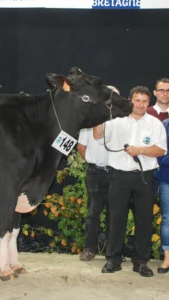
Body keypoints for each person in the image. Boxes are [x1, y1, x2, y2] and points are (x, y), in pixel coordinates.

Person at [93, 86, 167, 277]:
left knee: (144, 221)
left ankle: (141, 262)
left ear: (148, 102)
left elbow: (160, 150)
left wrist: (140, 150)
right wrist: (100, 113)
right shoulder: (116, 120)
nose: (140, 104)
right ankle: (113, 260)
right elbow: (97, 135)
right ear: (129, 100)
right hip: (119, 176)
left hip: (144, 177)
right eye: (137, 100)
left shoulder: (154, 124)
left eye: (144, 101)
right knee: (116, 219)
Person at [78, 86, 119, 261]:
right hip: (95, 173)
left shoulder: (122, 121)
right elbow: (81, 146)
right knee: (93, 212)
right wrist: (94, 162)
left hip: (117, 173)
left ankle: (113, 251)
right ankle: (89, 249)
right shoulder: (89, 120)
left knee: (115, 213)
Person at [156, 118, 169, 274]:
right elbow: (160, 153)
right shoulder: (165, 125)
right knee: (167, 219)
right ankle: (167, 260)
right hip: (167, 178)